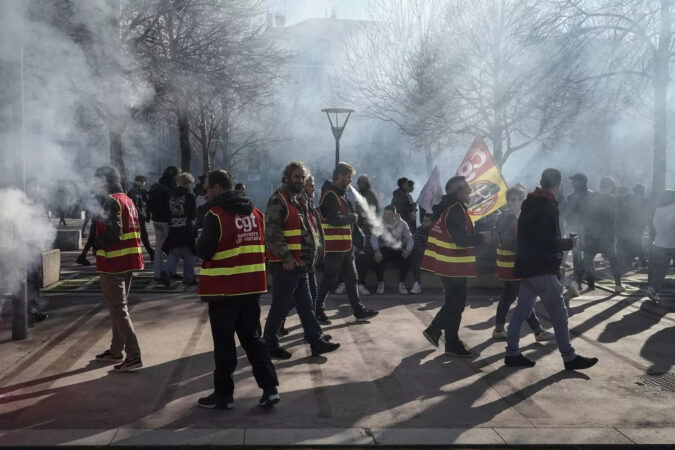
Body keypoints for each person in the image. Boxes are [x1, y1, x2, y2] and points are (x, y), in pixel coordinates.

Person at [195, 169, 279, 409]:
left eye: (207, 188)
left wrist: (196, 241)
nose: (205, 192)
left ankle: (224, 394)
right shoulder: (255, 212)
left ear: (218, 188)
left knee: (224, 345)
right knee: (254, 340)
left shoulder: (215, 215)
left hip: (223, 290)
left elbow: (204, 251)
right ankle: (270, 388)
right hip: (251, 287)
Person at [505, 168, 598, 370]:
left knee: (521, 311)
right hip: (542, 266)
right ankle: (569, 357)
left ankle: (512, 353)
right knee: (559, 314)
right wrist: (568, 243)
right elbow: (548, 240)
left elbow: (528, 237)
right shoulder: (548, 205)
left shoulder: (529, 203)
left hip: (526, 265)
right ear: (558, 185)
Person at [263, 162, 339, 359]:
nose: (300, 180)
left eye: (302, 177)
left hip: (301, 265)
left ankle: (316, 341)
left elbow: (310, 229)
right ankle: (269, 343)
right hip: (286, 265)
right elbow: (272, 234)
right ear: (286, 177)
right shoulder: (278, 200)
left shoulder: (301, 198)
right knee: (280, 306)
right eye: (296, 177)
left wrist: (316, 254)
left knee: (306, 305)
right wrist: (286, 257)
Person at [421, 176, 488, 357]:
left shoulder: (447, 207)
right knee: (456, 305)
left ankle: (438, 334)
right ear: (458, 191)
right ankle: (449, 341)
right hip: (453, 265)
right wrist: (482, 237)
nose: (470, 192)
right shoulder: (455, 209)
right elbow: (461, 240)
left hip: (448, 264)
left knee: (454, 303)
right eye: (467, 189)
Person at [92, 166, 144, 372]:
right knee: (119, 308)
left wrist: (96, 243)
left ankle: (133, 356)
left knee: (118, 309)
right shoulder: (127, 200)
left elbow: (114, 233)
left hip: (114, 262)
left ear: (105, 182)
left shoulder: (110, 201)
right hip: (128, 260)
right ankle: (116, 350)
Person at [315, 162, 379, 324]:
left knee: (352, 279)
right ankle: (317, 310)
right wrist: (352, 217)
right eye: (348, 177)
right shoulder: (330, 195)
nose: (350, 181)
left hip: (345, 247)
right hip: (334, 247)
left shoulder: (339, 194)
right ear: (340, 176)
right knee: (330, 279)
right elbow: (333, 219)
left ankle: (359, 311)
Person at [492, 186, 553, 342]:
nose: (517, 202)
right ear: (507, 201)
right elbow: (508, 242)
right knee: (525, 298)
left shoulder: (522, 217)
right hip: (512, 265)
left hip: (517, 265)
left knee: (509, 296)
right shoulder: (506, 219)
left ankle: (499, 329)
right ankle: (538, 331)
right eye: (513, 199)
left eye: (520, 199)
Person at [582, 177, 625, 294]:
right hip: (606, 236)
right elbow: (613, 218)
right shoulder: (611, 200)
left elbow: (587, 215)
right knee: (614, 261)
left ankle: (576, 283)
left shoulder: (592, 197)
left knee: (586, 260)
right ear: (610, 186)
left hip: (591, 234)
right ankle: (618, 285)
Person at [367, 205, 414, 295]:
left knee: (408, 258)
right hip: (384, 249)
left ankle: (402, 284)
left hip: (397, 249)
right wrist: (377, 250)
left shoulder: (402, 224)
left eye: (389, 214)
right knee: (378, 258)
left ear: (394, 215)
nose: (386, 216)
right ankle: (380, 283)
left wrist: (408, 251)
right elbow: (373, 238)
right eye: (385, 214)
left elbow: (409, 239)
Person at [162, 172, 197, 286]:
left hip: (173, 228)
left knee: (174, 252)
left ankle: (167, 270)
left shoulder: (170, 195)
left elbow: (167, 212)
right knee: (189, 255)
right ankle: (189, 278)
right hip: (186, 229)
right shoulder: (190, 196)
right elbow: (193, 215)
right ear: (188, 184)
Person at [149, 166, 181, 281]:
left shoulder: (154, 187)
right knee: (173, 247)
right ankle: (171, 272)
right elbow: (171, 207)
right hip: (167, 221)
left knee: (158, 248)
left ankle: (157, 274)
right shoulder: (171, 188)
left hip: (156, 220)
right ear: (174, 176)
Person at [564, 173, 592, 296]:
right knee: (582, 256)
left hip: (581, 229)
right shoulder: (591, 195)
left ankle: (579, 281)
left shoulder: (582, 196)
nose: (572, 183)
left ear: (581, 181)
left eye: (574, 180)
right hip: (580, 229)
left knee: (581, 256)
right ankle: (587, 281)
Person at [646, 189, 675, 302]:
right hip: (673, 243)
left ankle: (652, 289)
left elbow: (655, 226)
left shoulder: (658, 210)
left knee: (660, 269)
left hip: (660, 243)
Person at [127, 175, 155, 261]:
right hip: (137, 218)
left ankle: (151, 252)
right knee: (142, 236)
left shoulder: (140, 191)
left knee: (142, 236)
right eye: (142, 181)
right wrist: (143, 215)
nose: (144, 183)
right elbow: (136, 206)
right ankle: (150, 252)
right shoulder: (134, 191)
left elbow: (145, 205)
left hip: (139, 217)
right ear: (138, 181)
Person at [409, 213, 433, 294]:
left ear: (432, 223)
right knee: (415, 253)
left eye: (426, 221)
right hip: (422, 256)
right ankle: (417, 284)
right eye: (423, 221)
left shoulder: (437, 231)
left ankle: (446, 285)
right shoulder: (420, 230)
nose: (423, 223)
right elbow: (415, 243)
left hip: (435, 257)